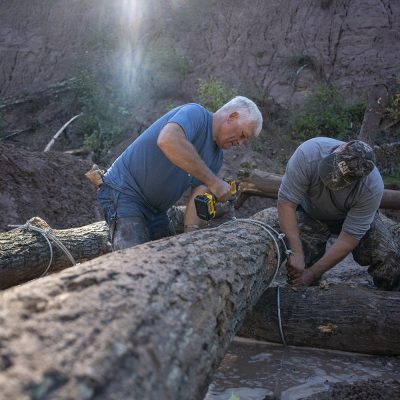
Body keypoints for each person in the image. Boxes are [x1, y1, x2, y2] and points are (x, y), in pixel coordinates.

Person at [98, 96, 263, 250]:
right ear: (232, 116)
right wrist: (214, 181)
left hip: (156, 211)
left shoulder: (216, 157)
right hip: (124, 192)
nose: (240, 143)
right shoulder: (196, 114)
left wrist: (191, 237)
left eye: (244, 140)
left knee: (171, 260)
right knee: (131, 264)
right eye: (242, 135)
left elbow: (196, 198)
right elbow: (168, 140)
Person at [277, 137, 400, 291]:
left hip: (347, 217)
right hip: (310, 214)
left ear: (359, 178)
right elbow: (286, 203)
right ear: (340, 148)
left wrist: (313, 273)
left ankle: (387, 304)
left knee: (388, 259)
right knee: (298, 267)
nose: (333, 179)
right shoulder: (308, 154)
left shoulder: (371, 188)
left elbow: (349, 238)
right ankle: (301, 299)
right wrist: (295, 251)